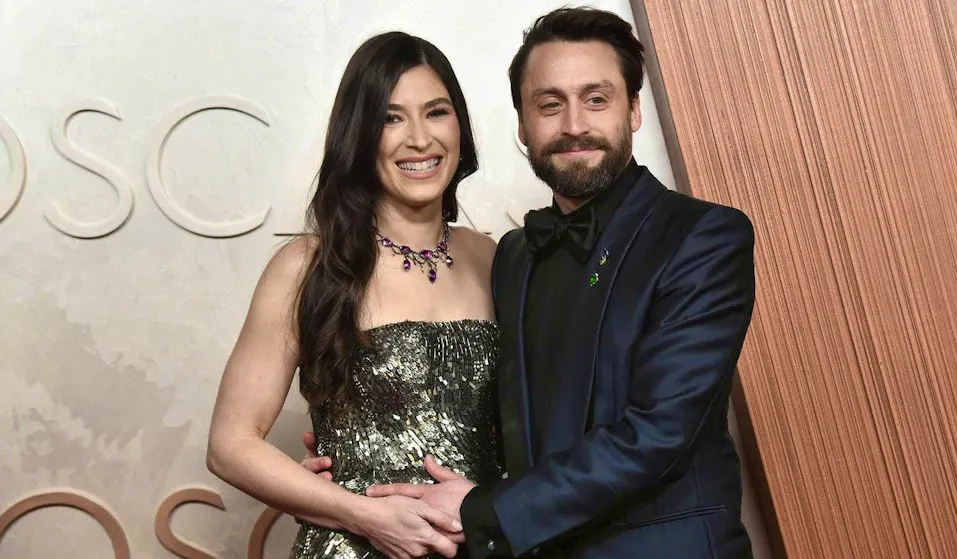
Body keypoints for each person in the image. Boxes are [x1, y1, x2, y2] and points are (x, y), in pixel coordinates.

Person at [304, 7, 757, 559]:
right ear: (521, 123)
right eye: (549, 105)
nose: (573, 126)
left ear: (634, 110)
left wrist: (482, 512)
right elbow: (480, 403)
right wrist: (358, 441)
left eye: (597, 99)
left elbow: (660, 432)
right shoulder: (513, 255)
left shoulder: (703, 236)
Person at [206, 31, 503, 559]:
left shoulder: (500, 259)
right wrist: (362, 513)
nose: (419, 139)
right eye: (391, 118)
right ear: (359, 134)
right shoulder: (306, 267)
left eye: (436, 112)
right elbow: (230, 445)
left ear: (460, 127)